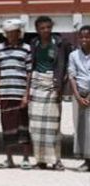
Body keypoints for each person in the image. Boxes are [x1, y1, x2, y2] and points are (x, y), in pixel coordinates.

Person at [29, 16, 72, 170]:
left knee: (53, 126)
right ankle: (40, 160)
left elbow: (67, 65)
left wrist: (61, 84)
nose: (46, 30)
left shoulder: (60, 43)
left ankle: (56, 160)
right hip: (36, 85)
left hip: (52, 86)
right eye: (42, 28)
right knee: (36, 126)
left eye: (48, 27)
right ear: (37, 30)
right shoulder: (34, 43)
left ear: (52, 27)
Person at [0, 19, 32, 169]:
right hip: (5, 93)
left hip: (20, 93)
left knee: (23, 127)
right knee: (7, 127)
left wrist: (26, 94)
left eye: (14, 32)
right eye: (8, 33)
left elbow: (29, 73)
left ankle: (26, 158)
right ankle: (9, 159)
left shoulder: (26, 49)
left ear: (19, 33)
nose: (11, 35)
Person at [68, 25, 90, 172]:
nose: (84, 39)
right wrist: (77, 96)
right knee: (81, 127)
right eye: (81, 37)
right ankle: (86, 160)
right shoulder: (74, 55)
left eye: (87, 37)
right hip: (79, 95)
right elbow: (72, 76)